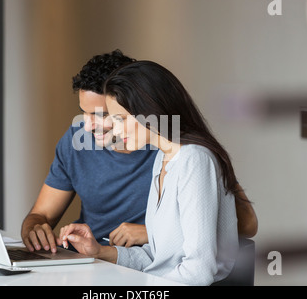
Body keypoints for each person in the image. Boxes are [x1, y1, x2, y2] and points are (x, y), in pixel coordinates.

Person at [21, 50, 257, 254]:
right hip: (90, 259)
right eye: (84, 112)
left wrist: (150, 233)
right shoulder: (76, 139)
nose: (88, 125)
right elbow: (40, 215)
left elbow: (245, 225)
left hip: (143, 264)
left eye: (103, 115)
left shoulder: (179, 150)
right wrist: (35, 229)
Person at [58, 60, 242, 285]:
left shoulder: (194, 160)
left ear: (150, 111)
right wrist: (98, 251)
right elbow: (156, 258)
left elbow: (197, 271)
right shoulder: (163, 159)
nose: (114, 130)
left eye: (121, 119)